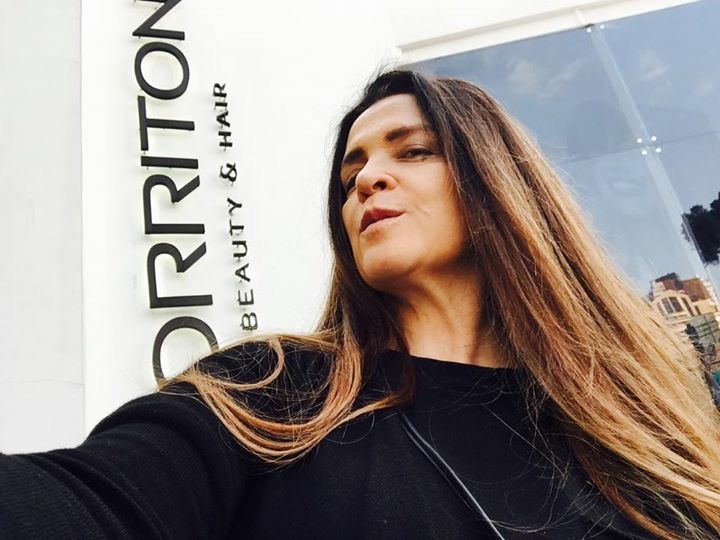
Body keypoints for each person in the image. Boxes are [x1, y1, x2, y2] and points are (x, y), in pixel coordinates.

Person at [2, 69, 719, 540]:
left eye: (412, 151)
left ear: (500, 182)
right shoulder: (275, 393)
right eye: (352, 174)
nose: (369, 178)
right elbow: (94, 501)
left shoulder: (635, 424)